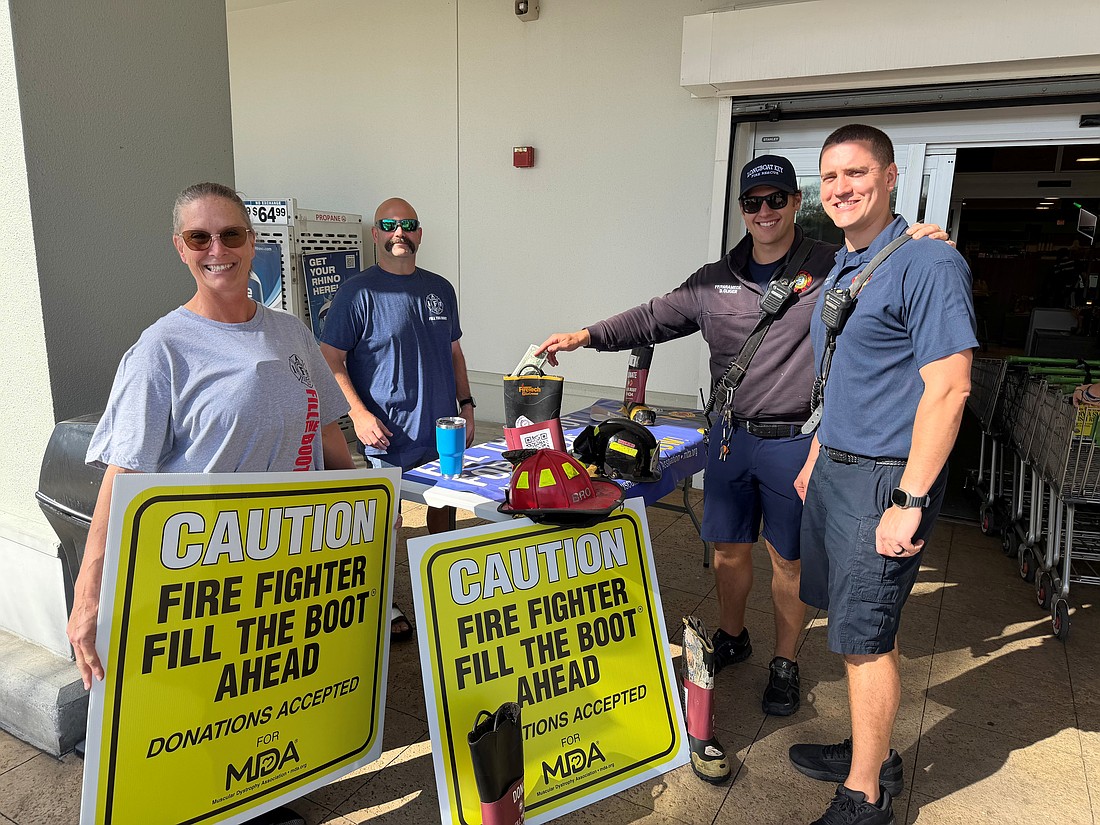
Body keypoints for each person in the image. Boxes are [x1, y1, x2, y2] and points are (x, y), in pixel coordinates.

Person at [537, 156, 949, 722]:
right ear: (742, 210)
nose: (764, 212)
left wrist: (921, 238)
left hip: (795, 443)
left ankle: (785, 659)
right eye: (753, 203)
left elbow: (891, 259)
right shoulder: (714, 278)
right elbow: (654, 316)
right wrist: (585, 335)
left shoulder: (833, 265)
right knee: (729, 548)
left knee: (788, 560)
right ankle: (734, 635)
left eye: (776, 199)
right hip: (729, 439)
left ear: (794, 204)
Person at [66, 181, 355, 691]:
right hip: (207, 582)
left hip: (295, 566)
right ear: (180, 248)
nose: (217, 250)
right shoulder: (161, 349)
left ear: (252, 242)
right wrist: (89, 593)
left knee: (292, 696)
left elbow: (327, 433)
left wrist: (360, 513)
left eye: (231, 235)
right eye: (199, 238)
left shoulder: (292, 333)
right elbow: (124, 474)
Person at [789, 124, 976, 825]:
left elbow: (950, 388)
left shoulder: (929, 265)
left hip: (884, 481)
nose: (841, 188)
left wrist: (911, 498)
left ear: (892, 176)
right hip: (837, 468)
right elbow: (844, 373)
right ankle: (874, 751)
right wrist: (816, 454)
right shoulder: (853, 260)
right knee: (860, 626)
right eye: (830, 177)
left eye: (857, 173)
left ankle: (865, 794)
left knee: (865, 641)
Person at [320, 197, 475, 640]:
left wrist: (466, 405)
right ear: (375, 234)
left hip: (442, 428)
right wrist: (358, 413)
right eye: (389, 224)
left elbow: (454, 351)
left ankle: (443, 587)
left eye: (408, 224)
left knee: (444, 506)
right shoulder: (357, 292)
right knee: (384, 520)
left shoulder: (440, 288)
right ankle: (383, 602)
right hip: (386, 432)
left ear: (420, 234)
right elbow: (330, 358)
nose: (399, 232)